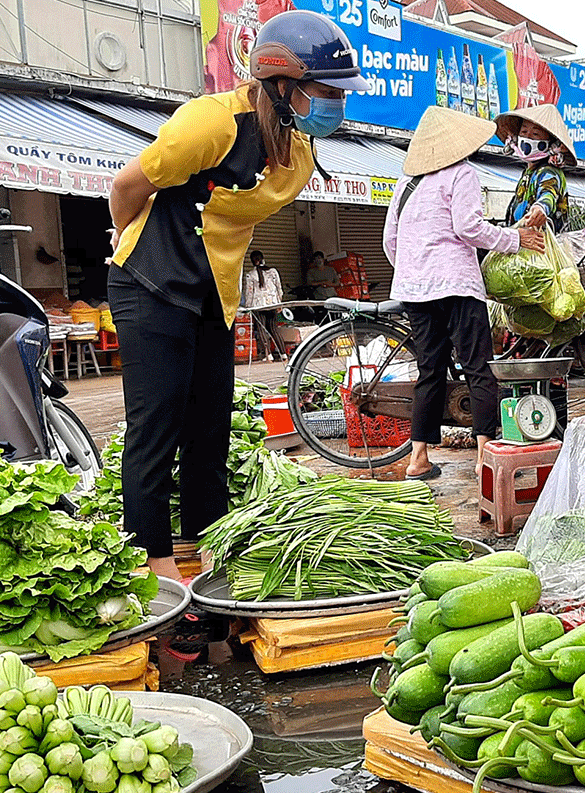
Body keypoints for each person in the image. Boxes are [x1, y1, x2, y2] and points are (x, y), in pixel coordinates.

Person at [106, 9, 368, 580]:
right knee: (156, 429)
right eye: (326, 91)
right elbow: (127, 188)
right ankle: (153, 563)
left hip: (213, 292)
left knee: (211, 429)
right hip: (150, 284)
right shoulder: (211, 123)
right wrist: (124, 239)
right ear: (281, 83)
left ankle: (205, 549)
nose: (336, 107)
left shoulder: (297, 152)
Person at [384, 107, 544, 481]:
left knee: (430, 371)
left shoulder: (406, 183)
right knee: (479, 369)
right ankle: (484, 457)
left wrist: (414, 271)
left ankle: (418, 459)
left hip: (415, 289)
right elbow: (469, 227)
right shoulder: (462, 174)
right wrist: (513, 239)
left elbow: (390, 241)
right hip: (456, 285)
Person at [494, 104, 576, 233]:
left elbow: (548, 192)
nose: (527, 138)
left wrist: (540, 208)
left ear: (552, 144)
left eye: (535, 134)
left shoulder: (549, 172)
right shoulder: (528, 173)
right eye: (524, 132)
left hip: (540, 246)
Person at [242, 249, 285, 361]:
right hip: (272, 304)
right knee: (273, 328)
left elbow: (249, 293)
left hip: (259, 305)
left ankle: (268, 356)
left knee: (261, 329)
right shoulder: (273, 271)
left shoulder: (250, 275)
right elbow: (279, 288)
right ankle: (283, 354)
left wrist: (248, 307)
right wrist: (279, 303)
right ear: (263, 259)